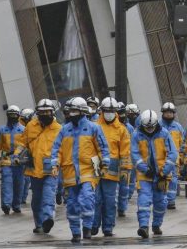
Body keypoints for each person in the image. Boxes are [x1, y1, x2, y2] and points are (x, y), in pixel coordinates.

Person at [51, 97, 110, 243]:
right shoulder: (65, 130)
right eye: (70, 111)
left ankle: (87, 228)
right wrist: (55, 164)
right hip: (70, 172)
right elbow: (56, 149)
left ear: (82, 111)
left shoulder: (93, 128)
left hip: (89, 170)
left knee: (87, 199)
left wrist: (105, 165)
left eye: (75, 110)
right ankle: (75, 232)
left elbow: (103, 148)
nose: (72, 113)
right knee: (71, 204)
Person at [14, 99, 61, 234]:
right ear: (38, 113)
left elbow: (64, 149)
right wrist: (17, 156)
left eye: (48, 112)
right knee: (36, 199)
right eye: (42, 112)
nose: (45, 114)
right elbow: (23, 143)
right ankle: (39, 224)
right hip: (34, 167)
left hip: (50, 168)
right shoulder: (31, 126)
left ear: (52, 112)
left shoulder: (59, 129)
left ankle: (48, 219)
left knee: (48, 195)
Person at [131, 110, 178, 239]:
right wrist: (145, 169)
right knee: (144, 200)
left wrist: (164, 172)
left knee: (160, 202)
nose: (150, 129)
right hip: (144, 174)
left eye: (152, 127)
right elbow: (135, 155)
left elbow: (172, 154)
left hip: (160, 174)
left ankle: (156, 225)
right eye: (147, 127)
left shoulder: (164, 134)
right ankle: (143, 226)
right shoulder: (137, 135)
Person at [92, 97, 131, 237]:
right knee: (95, 199)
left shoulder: (122, 130)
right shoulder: (94, 126)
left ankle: (108, 227)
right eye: (106, 110)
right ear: (102, 111)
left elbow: (125, 152)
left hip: (113, 169)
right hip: (96, 166)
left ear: (116, 112)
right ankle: (94, 225)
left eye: (111, 111)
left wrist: (125, 169)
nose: (109, 113)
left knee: (109, 200)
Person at [0, 105, 25, 214]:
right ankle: (6, 205)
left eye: (14, 115)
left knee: (19, 184)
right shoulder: (2, 130)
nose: (12, 117)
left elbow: (26, 145)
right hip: (6, 161)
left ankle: (16, 205)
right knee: (7, 183)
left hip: (19, 162)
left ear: (18, 116)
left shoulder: (23, 130)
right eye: (10, 115)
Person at [159, 102, 184, 209]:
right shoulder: (158, 126)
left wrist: (182, 157)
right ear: (163, 113)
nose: (168, 115)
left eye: (170, 113)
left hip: (174, 160)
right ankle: (161, 199)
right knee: (162, 179)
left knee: (173, 180)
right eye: (166, 112)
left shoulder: (178, 127)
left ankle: (171, 201)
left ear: (174, 114)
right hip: (161, 159)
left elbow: (183, 143)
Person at [117, 101, 135, 217]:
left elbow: (134, 144)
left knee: (125, 185)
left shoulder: (130, 128)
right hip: (113, 160)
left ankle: (122, 207)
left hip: (127, 160)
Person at [19, 108, 35, 205]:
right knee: (25, 178)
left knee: (27, 179)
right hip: (24, 154)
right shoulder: (21, 127)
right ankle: (22, 198)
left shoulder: (33, 125)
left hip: (30, 154)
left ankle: (23, 198)